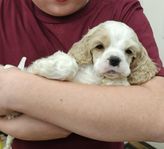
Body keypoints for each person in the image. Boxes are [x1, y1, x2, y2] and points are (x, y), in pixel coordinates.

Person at [0, 0, 164, 149]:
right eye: (100, 46)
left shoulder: (120, 7)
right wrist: (6, 126)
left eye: (128, 51)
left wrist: (16, 88)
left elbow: (159, 117)